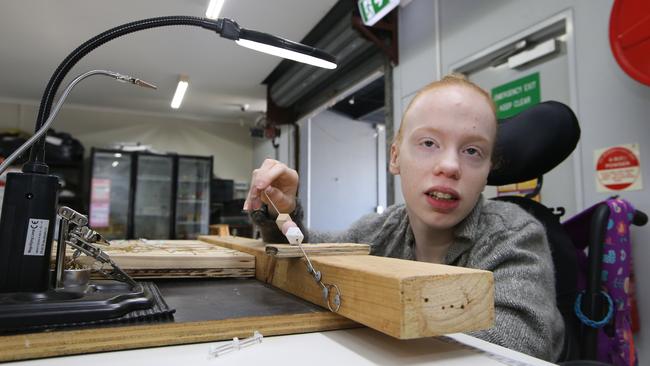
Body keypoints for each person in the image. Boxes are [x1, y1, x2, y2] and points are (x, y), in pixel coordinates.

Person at [243, 74, 565, 362]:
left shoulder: (515, 235)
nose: (450, 166)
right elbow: (308, 255)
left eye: (472, 152)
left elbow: (516, 350)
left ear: (488, 171)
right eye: (429, 143)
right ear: (395, 157)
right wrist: (278, 212)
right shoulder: (379, 228)